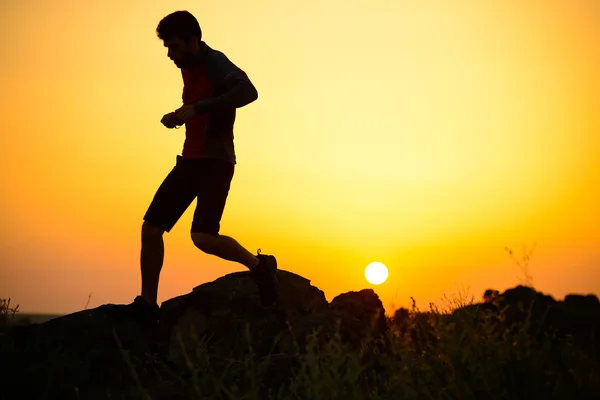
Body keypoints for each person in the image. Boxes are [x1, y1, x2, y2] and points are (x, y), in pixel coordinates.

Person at [108, 10, 278, 325]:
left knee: (202, 237)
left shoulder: (215, 62)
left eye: (174, 47)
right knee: (151, 229)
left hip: (216, 161)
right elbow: (200, 105)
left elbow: (248, 92)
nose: (170, 54)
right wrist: (180, 115)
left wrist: (197, 109)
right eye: (167, 48)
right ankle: (148, 304)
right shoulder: (190, 65)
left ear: (193, 40)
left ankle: (259, 266)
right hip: (190, 160)